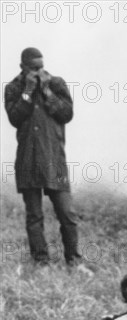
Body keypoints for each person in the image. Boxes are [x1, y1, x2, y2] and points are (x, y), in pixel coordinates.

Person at [4, 47, 80, 266]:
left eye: (41, 67)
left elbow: (67, 114)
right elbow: (15, 118)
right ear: (23, 67)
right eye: (34, 68)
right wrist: (27, 91)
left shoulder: (56, 84)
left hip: (55, 160)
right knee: (34, 217)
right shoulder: (14, 88)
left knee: (67, 214)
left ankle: (74, 261)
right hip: (28, 161)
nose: (39, 72)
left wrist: (47, 92)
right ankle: (41, 262)